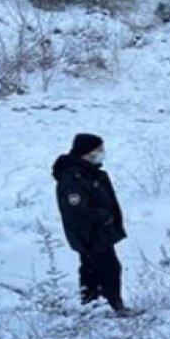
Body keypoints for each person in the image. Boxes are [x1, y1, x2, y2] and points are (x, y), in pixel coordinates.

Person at [52, 133, 133, 316]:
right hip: (90, 233)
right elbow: (77, 210)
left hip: (97, 231)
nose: (102, 153)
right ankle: (115, 306)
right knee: (109, 268)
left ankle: (91, 305)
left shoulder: (89, 172)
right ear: (86, 153)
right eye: (98, 150)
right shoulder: (74, 178)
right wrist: (103, 216)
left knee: (91, 269)